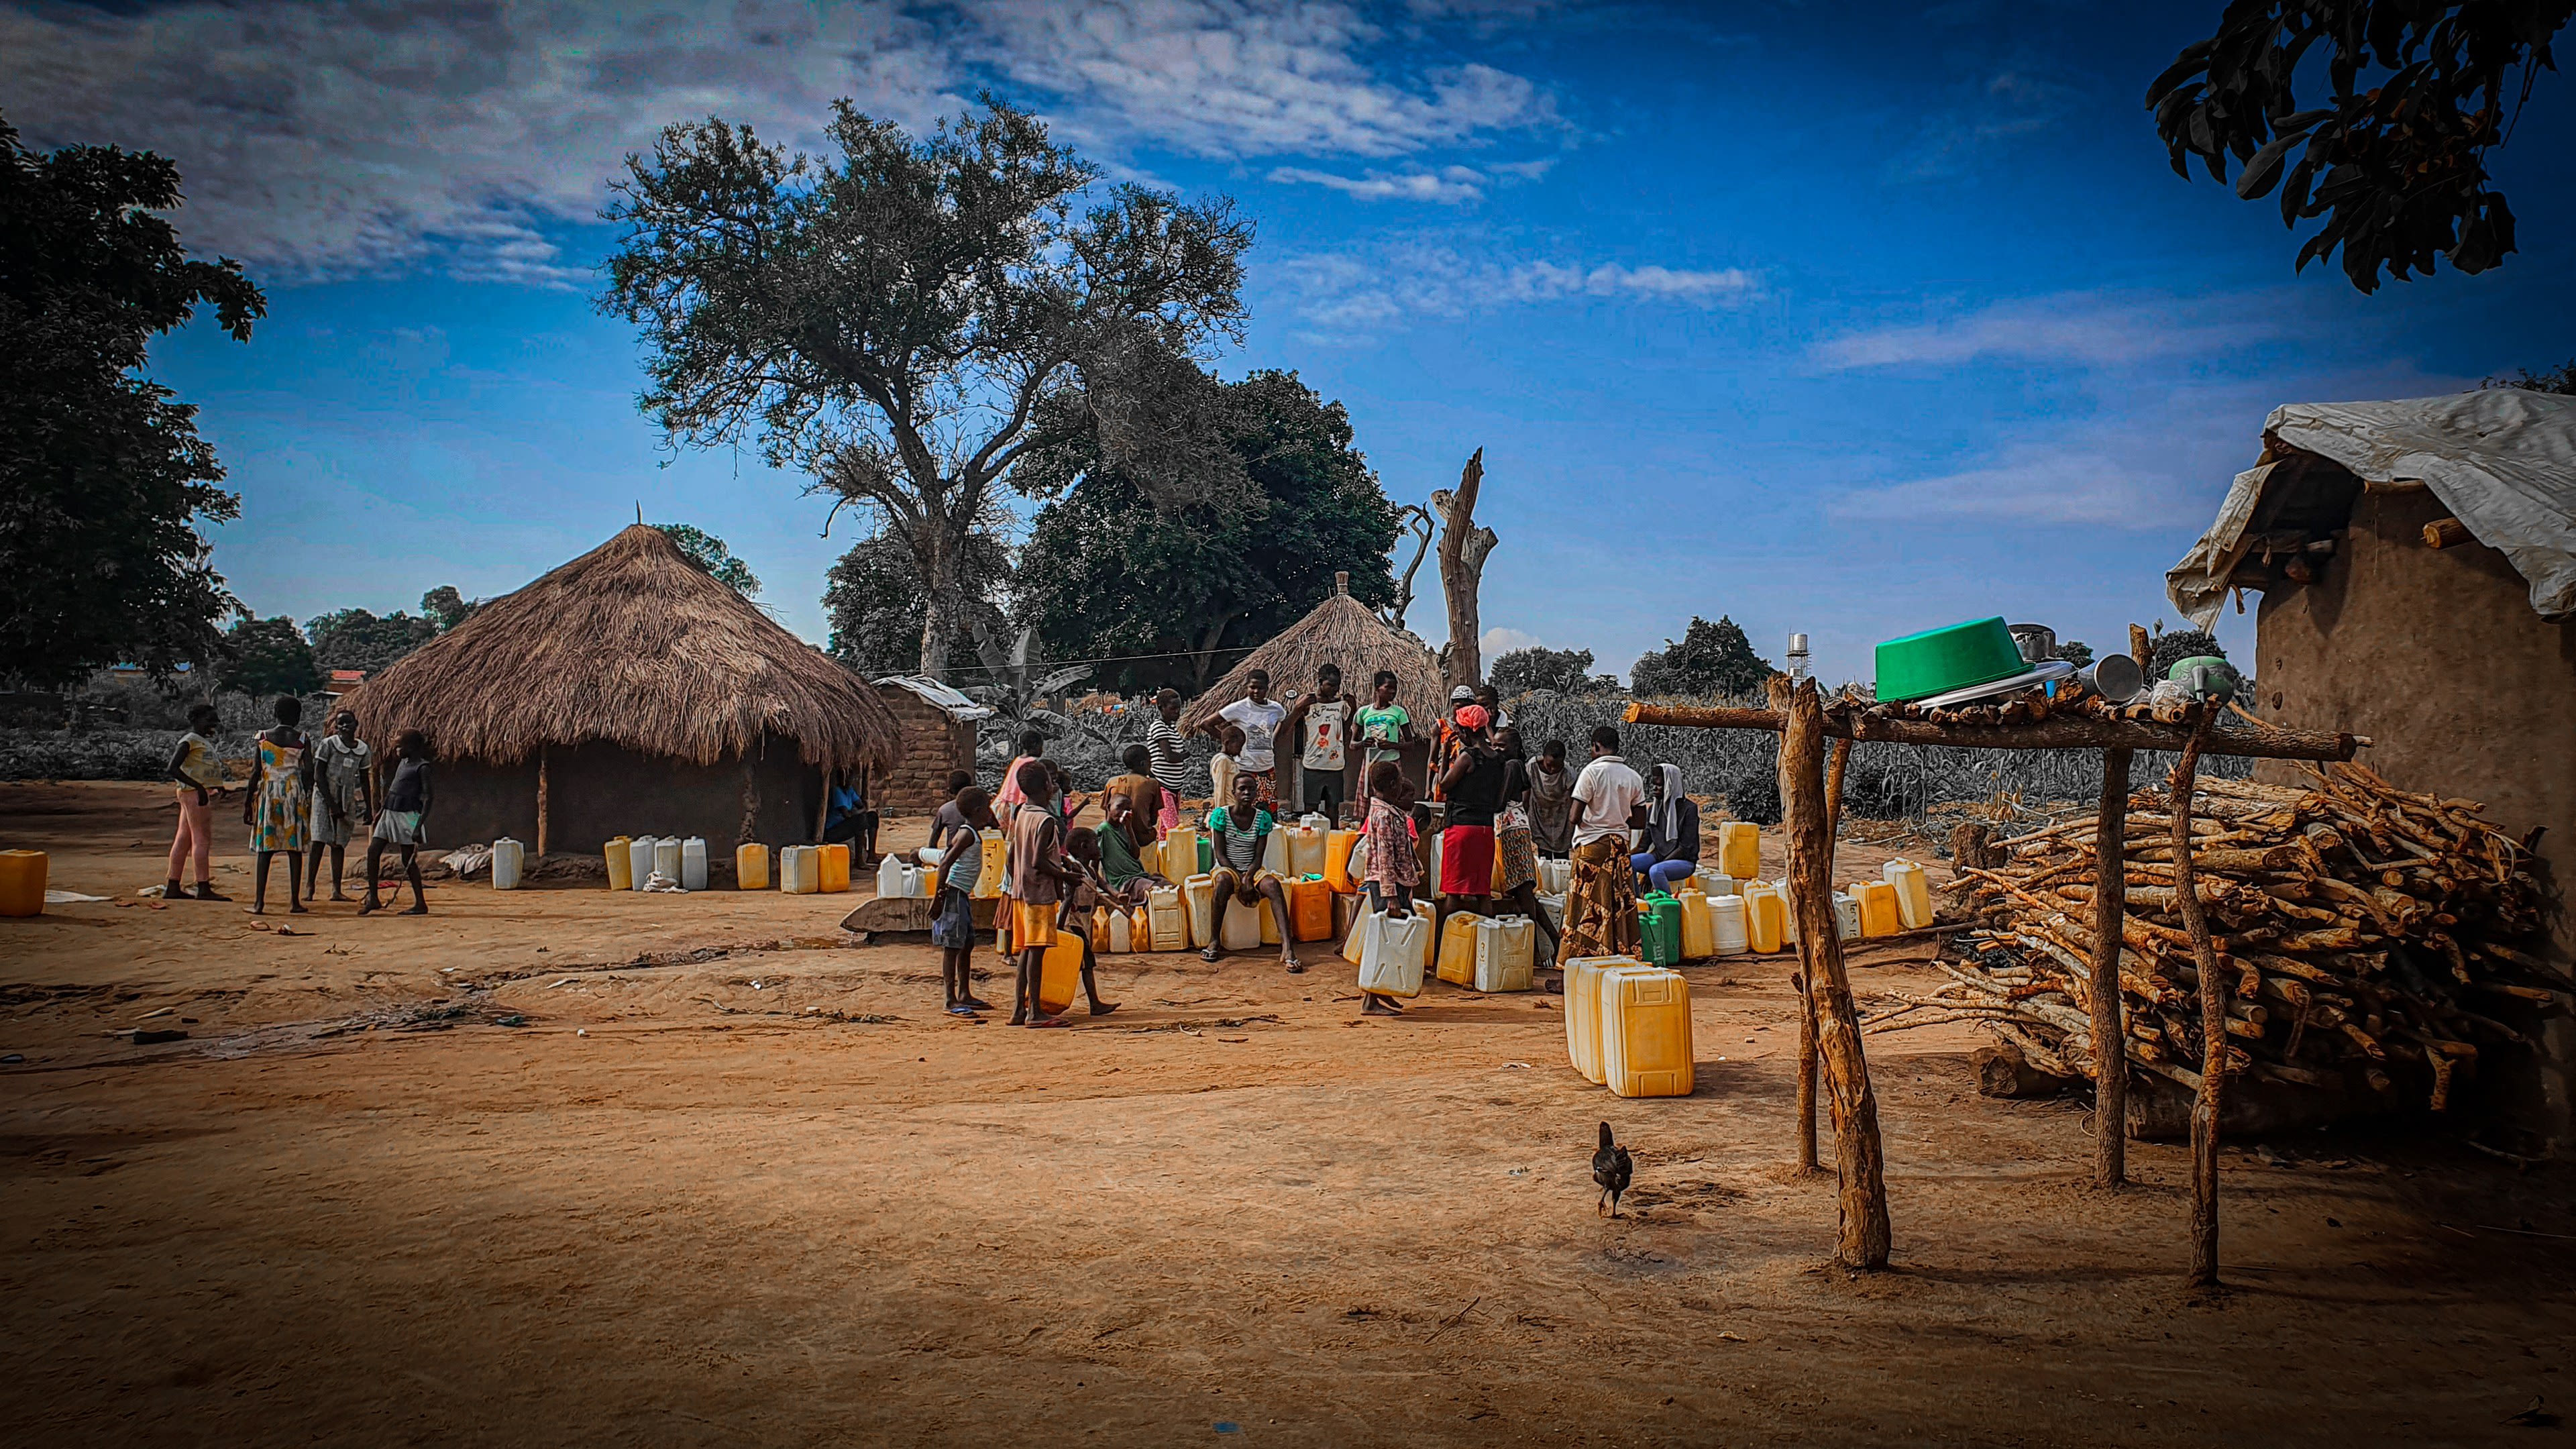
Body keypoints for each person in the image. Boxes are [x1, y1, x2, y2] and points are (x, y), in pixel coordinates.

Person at [1558, 724, 1647, 966]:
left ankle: (1577, 964)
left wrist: (1599, 818)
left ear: (1596, 746)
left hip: (1592, 847)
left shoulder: (1591, 773)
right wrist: (1617, 817)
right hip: (1620, 847)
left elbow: (1575, 817)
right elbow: (1639, 821)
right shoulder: (1632, 776)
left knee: (1585, 906)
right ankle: (1619, 959)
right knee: (1617, 903)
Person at [1006, 759, 1085, 1028]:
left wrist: (1061, 863)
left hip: (1021, 891)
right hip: (1038, 894)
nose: (1055, 785)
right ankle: (1035, 1012)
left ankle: (1019, 1009)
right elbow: (1039, 860)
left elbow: (1015, 854)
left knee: (1028, 950)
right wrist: (1065, 876)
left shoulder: (1022, 814)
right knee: (1037, 952)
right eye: (1051, 782)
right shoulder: (1046, 821)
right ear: (1046, 787)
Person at [1199, 771, 1301, 973]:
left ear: (1257, 792)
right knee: (1222, 882)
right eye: (1242, 789)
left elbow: (1258, 856)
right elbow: (1219, 854)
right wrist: (1239, 876)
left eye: (1251, 789)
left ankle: (1288, 948)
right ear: (1233, 793)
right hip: (1227, 867)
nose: (1247, 792)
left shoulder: (1262, 818)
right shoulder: (1221, 816)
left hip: (1253, 869)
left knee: (1273, 885)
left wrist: (1248, 876)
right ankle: (1214, 940)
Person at [922, 786, 997, 1017]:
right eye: (987, 808)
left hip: (961, 894)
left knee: (966, 943)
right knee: (952, 946)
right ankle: (950, 999)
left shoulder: (971, 832)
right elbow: (945, 864)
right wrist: (938, 898)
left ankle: (964, 993)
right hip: (952, 893)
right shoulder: (966, 834)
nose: (990, 812)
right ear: (977, 811)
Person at [1354, 761, 1421, 1016]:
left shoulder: (1389, 811)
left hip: (1396, 882)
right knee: (1387, 939)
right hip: (1386, 885)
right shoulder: (1382, 815)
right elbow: (1384, 855)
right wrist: (1390, 894)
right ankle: (1371, 1000)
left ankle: (1383, 991)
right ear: (1393, 785)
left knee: (1396, 936)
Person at [1493, 729, 1560, 963]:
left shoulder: (1511, 765)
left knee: (1522, 891)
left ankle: (1532, 950)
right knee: (1525, 894)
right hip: (1516, 827)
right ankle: (1552, 939)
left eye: (1500, 746)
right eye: (1494, 745)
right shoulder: (1519, 765)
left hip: (1511, 830)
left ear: (1514, 747)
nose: (1496, 750)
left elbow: (1500, 801)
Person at [240, 695, 311, 915]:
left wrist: (247, 803)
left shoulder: (262, 737)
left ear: (275, 714)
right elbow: (309, 770)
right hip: (293, 792)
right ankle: (294, 902)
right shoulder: (302, 738)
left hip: (268, 792)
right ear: (297, 716)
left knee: (265, 848)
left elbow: (255, 773)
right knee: (294, 847)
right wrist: (306, 795)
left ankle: (259, 903)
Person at [1436, 703, 1505, 920]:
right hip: (1485, 829)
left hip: (1462, 829)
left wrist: (1446, 753)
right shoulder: (1497, 759)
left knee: (1454, 892)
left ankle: (1445, 944)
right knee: (1482, 892)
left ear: (1465, 731)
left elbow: (1444, 785)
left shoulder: (1468, 757)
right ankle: (1488, 938)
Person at [359, 729, 433, 915]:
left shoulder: (422, 767)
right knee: (373, 851)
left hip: (408, 815)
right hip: (390, 812)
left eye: (400, 746)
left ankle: (420, 904)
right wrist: (382, 811)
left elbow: (429, 798)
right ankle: (374, 898)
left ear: (413, 747)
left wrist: (418, 825)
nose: (397, 750)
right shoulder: (403, 763)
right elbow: (393, 789)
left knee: (408, 859)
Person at [303, 709, 372, 904]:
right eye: (340, 724)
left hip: (347, 797)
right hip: (324, 796)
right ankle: (310, 887)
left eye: (347, 723)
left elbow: (366, 780)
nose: (343, 727)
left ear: (356, 724)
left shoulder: (363, 750)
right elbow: (319, 775)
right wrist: (331, 804)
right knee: (318, 840)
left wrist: (368, 807)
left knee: (339, 843)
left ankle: (336, 889)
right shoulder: (329, 745)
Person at [1052, 829, 1122, 1018]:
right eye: (1095, 844)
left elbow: (1104, 885)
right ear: (1084, 847)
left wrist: (1118, 895)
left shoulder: (1090, 870)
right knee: (1086, 964)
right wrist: (1059, 928)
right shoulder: (1075, 870)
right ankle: (1093, 1003)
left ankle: (1093, 1003)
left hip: (1083, 923)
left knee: (1081, 964)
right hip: (1071, 923)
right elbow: (1068, 898)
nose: (1098, 847)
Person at [163, 702, 229, 902]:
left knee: (184, 838)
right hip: (194, 794)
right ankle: (203, 886)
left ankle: (173, 885)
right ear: (196, 720)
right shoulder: (189, 741)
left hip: (193, 792)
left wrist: (216, 785)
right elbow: (172, 769)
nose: (214, 725)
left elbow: (201, 767)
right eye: (210, 720)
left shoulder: (199, 741)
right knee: (201, 839)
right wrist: (200, 788)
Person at [1201, 669, 1285, 813]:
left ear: (1267, 688)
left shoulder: (1275, 709)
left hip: (1268, 768)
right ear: (1246, 686)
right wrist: (1229, 741)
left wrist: (1273, 740)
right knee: (1243, 814)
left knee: (1267, 816)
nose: (1256, 691)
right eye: (1252, 687)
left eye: (1261, 688)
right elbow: (1206, 723)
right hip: (1244, 769)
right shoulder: (1238, 708)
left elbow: (1283, 723)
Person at [1277, 662, 1351, 824]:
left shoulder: (1338, 703)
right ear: (1320, 681)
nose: (1335, 690)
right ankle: (1309, 846)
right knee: (1310, 812)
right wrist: (1297, 708)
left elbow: (1343, 733)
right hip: (1313, 765)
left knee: (1333, 812)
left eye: (1337, 686)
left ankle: (1332, 846)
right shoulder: (1309, 703)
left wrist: (1352, 710)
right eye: (1331, 685)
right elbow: (1284, 730)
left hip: (1335, 766)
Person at [1633, 763, 1701, 895]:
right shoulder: (1653, 810)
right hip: (1658, 857)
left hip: (1684, 861)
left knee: (1656, 871)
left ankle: (1667, 906)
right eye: (1654, 785)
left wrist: (1648, 873)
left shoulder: (1689, 809)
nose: (1654, 789)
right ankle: (1637, 901)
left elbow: (1684, 848)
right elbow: (1643, 846)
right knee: (1628, 863)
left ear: (1670, 785)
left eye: (1659, 785)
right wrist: (1621, 857)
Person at [1102, 744, 1169, 855]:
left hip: (1117, 840)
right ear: (1143, 763)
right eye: (1150, 762)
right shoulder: (1152, 783)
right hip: (1143, 840)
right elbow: (1153, 820)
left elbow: (1108, 816)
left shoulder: (1112, 782)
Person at [1354, 669, 1413, 792]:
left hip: (1392, 764)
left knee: (1392, 797)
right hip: (1371, 764)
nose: (1393, 691)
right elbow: (1352, 745)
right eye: (1388, 687)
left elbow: (1410, 744)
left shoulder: (1399, 712)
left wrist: (1392, 745)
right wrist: (1363, 743)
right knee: (1368, 800)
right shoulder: (1363, 712)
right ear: (1377, 688)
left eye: (1395, 688)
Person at [1144, 689, 1191, 832]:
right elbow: (1169, 757)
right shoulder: (1159, 727)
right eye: (1173, 709)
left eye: (1179, 708)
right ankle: (1173, 854)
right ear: (1161, 708)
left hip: (1175, 787)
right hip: (1163, 786)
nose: (1177, 712)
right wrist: (1185, 755)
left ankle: (1165, 854)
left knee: (1166, 829)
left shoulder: (1172, 728)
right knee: (1174, 829)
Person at [1525, 738, 1575, 859]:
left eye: (1557, 767)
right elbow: (1526, 794)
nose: (1552, 769)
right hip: (1539, 814)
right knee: (1543, 853)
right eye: (1549, 765)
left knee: (1561, 852)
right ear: (1543, 757)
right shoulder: (1532, 767)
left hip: (1561, 815)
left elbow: (1573, 799)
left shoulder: (1568, 773)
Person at [1427, 684, 1476, 798]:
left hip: (1465, 778)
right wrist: (1428, 788)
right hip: (1443, 777)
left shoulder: (1474, 728)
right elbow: (1432, 759)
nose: (1461, 711)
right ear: (1453, 706)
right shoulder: (1441, 726)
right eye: (1458, 707)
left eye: (1466, 708)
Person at [822, 768, 880, 865]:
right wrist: (858, 812)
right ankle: (859, 860)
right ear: (839, 779)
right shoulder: (837, 791)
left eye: (850, 778)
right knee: (860, 821)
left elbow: (863, 807)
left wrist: (856, 812)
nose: (848, 781)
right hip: (833, 831)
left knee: (873, 817)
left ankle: (871, 855)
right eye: (845, 778)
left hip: (845, 825)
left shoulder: (850, 791)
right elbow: (847, 815)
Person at [1209, 723, 1245, 812]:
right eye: (1239, 746)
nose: (1240, 750)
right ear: (1227, 743)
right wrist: (1220, 812)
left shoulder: (1228, 760)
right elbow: (1220, 788)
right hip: (1227, 808)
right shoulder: (1223, 761)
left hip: (1232, 806)